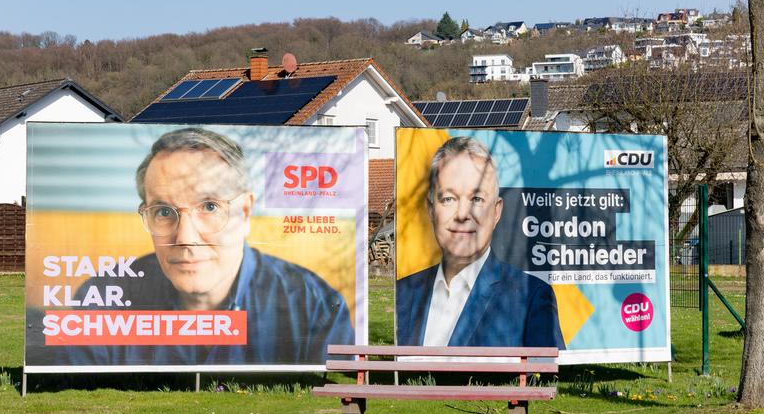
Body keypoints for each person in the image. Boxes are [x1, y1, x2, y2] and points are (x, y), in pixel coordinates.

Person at [61, 127, 354, 366]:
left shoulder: (314, 305)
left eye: (210, 206)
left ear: (245, 211)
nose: (186, 237)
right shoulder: (102, 301)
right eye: (163, 211)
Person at [396, 136, 564, 350]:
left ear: (496, 211)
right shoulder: (403, 292)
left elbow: (549, 377)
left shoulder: (530, 297)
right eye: (448, 199)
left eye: (476, 199)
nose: (462, 214)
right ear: (431, 209)